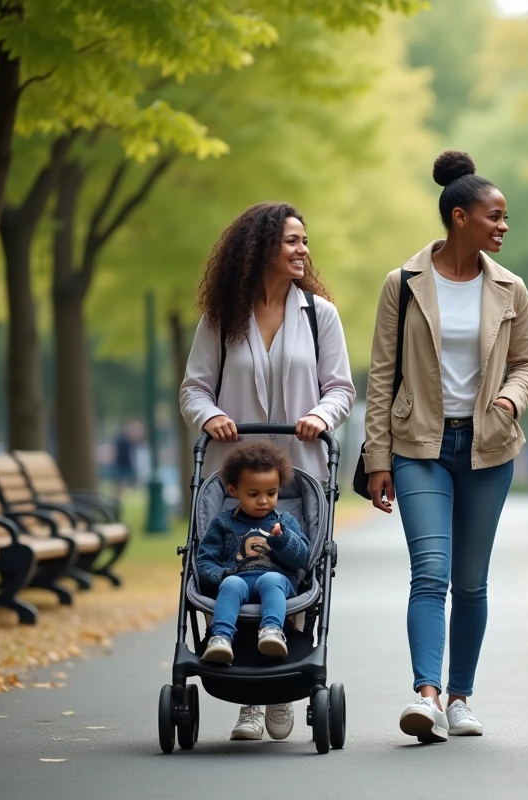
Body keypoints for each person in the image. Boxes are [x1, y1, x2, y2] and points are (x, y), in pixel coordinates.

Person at [361, 151, 528, 744]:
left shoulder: (511, 288)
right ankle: (427, 697)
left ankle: (461, 697)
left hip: (488, 448)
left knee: (470, 581)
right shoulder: (404, 284)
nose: (504, 226)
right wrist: (379, 458)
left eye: (505, 217)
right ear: (460, 217)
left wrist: (513, 398)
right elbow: (381, 375)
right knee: (430, 573)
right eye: (495, 216)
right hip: (419, 446)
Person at [180, 202, 355, 742]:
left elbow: (341, 389)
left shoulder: (318, 316)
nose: (303, 250)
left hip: (297, 473)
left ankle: (280, 687)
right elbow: (194, 388)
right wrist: (212, 417)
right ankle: (247, 703)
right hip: (234, 475)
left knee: (292, 569)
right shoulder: (221, 318)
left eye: (305, 241)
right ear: (260, 250)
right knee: (231, 566)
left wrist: (318, 417)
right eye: (292, 242)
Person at [198, 442, 310, 665]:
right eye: (253, 494)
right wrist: (222, 576)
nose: (263, 500)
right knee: (231, 585)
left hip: (277, 582)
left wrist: (282, 539)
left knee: (271, 579)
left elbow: (303, 558)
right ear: (233, 491)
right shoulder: (222, 523)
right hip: (237, 578)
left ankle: (272, 630)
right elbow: (205, 561)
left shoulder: (284, 522)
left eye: (271, 493)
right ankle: (220, 637)